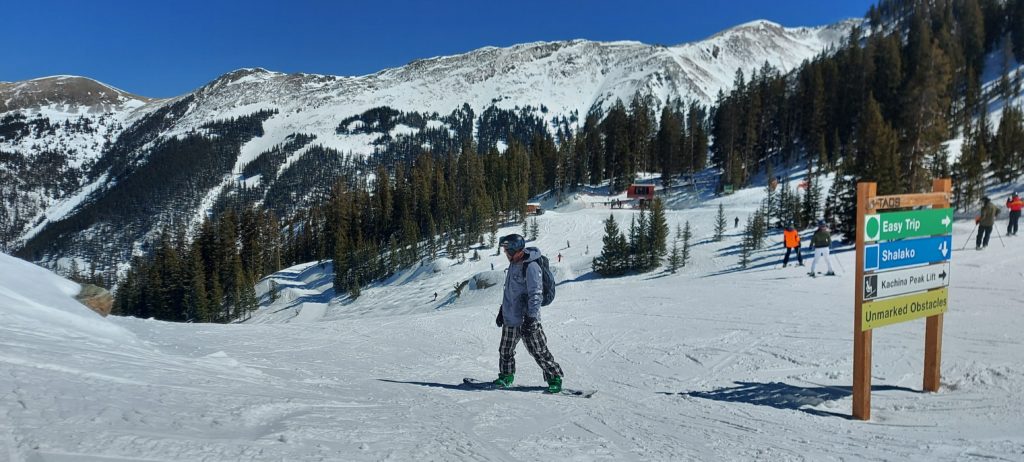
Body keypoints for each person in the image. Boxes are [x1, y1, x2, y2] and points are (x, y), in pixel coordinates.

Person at [493, 233, 564, 393]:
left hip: (527, 318)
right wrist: (502, 311)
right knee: (505, 350)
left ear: (515, 250)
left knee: (538, 350)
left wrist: (531, 319)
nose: (505, 253)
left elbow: (536, 294)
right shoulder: (513, 264)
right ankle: (506, 376)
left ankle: (554, 378)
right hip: (510, 317)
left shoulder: (531, 266)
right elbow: (511, 292)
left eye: (507, 250)